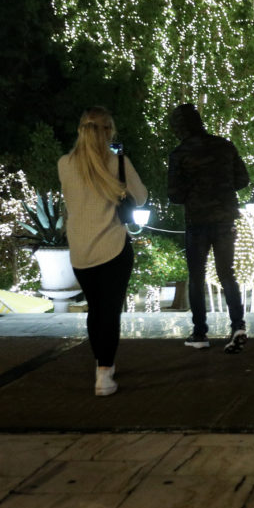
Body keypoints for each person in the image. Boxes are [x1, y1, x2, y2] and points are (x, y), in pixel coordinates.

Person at [58, 106, 147, 397]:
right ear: (108, 131)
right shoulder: (117, 163)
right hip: (112, 248)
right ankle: (104, 373)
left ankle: (102, 364)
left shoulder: (65, 164)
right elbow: (142, 197)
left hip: (80, 252)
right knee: (110, 312)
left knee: (95, 311)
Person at [167, 102, 250, 354]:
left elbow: (174, 195)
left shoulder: (179, 154)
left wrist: (194, 191)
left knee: (196, 277)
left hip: (197, 222)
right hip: (225, 218)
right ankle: (238, 325)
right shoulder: (224, 146)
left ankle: (200, 332)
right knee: (227, 274)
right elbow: (243, 179)